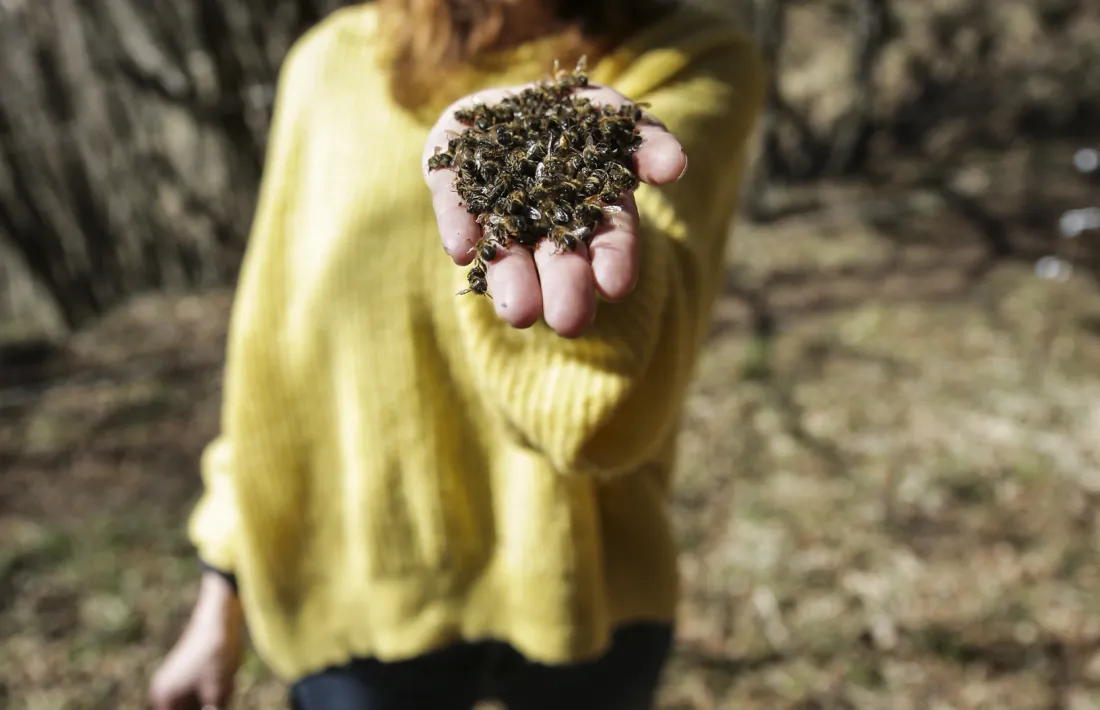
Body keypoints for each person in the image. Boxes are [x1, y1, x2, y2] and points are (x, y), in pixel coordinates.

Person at [149, 0, 764, 708]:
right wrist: (219, 587)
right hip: (366, 580)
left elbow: (626, 364)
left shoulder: (694, 55)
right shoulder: (329, 65)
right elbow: (273, 353)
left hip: (588, 582)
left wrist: (567, 204)